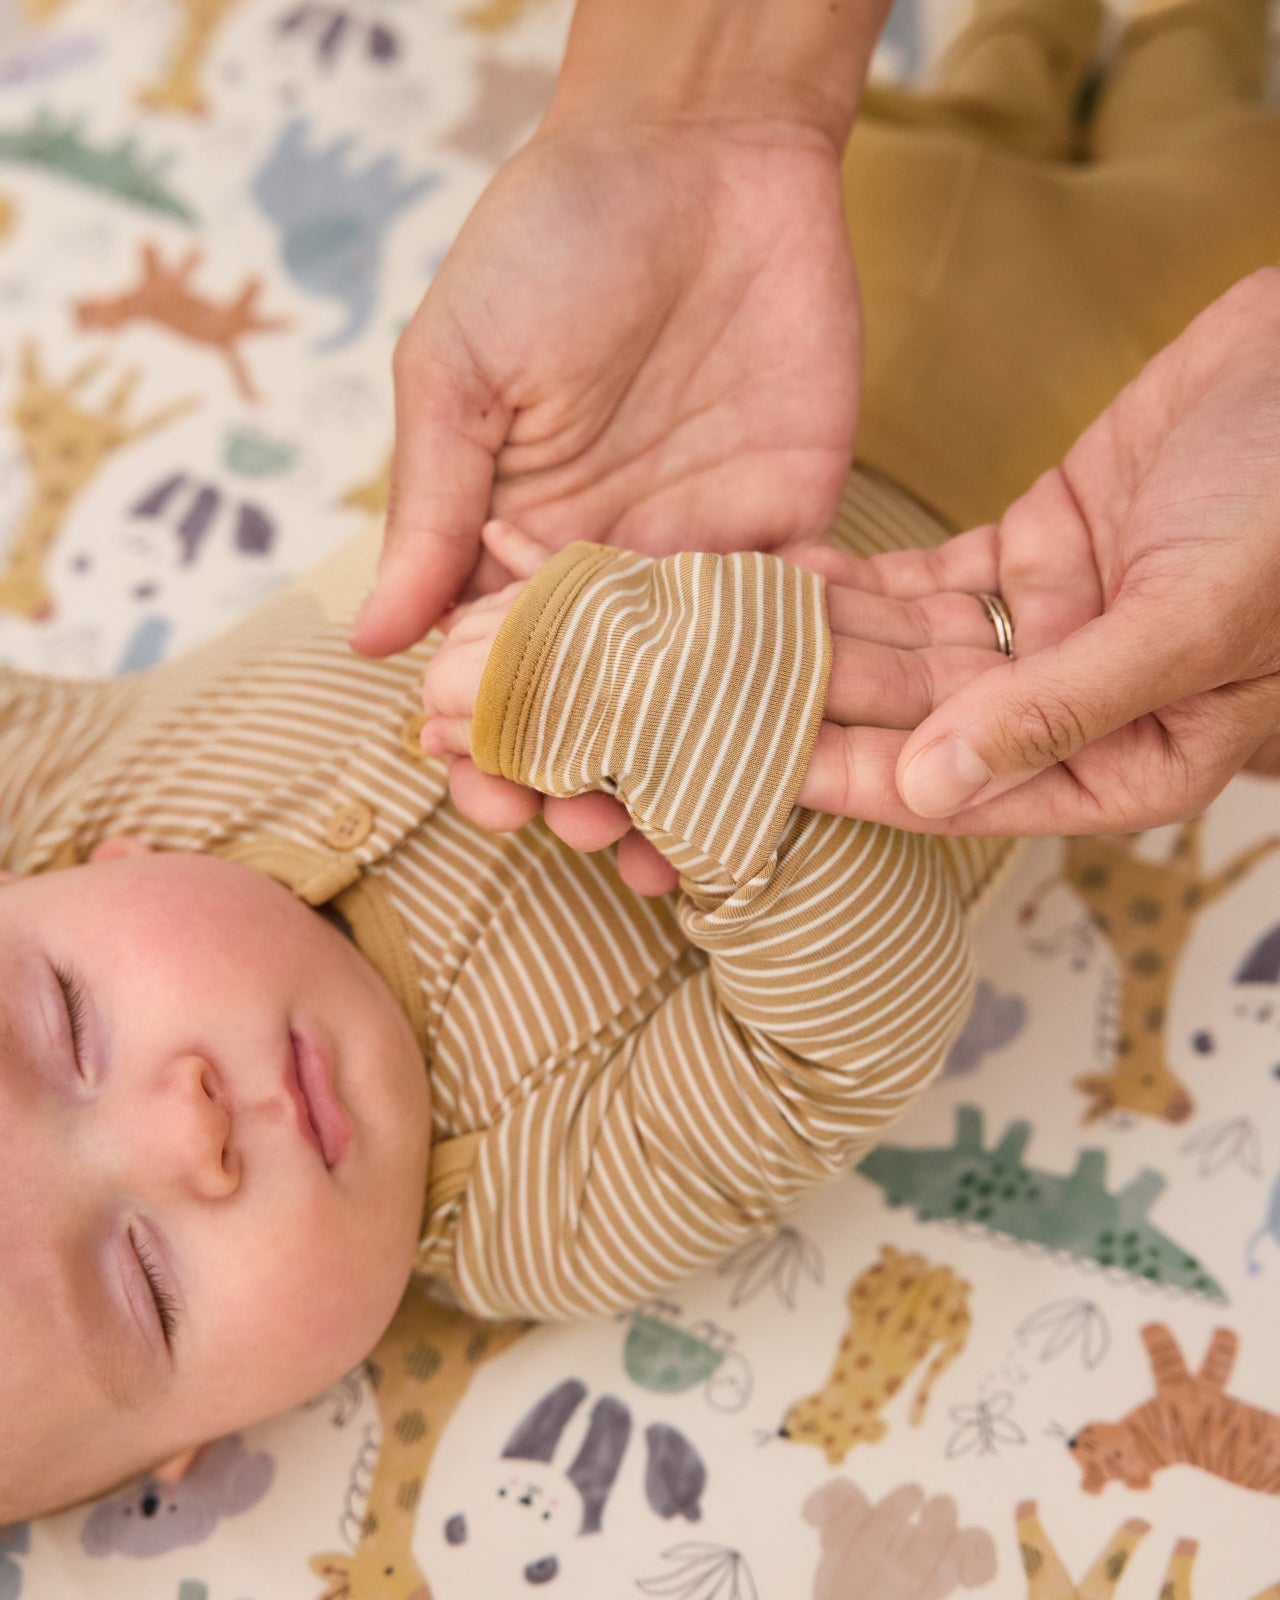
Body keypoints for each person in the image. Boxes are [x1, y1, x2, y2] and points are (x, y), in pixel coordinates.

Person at [2, 0, 1276, 1525]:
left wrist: (691, 116)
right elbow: (862, 1016)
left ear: (69, 880)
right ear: (192, 1448)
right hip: (1116, 453)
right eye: (144, 1284)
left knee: (989, 83)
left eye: (65, 1022)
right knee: (1216, 125)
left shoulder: (76, 795)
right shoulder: (545, 1205)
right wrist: (703, 746)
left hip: (770, 243)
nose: (186, 1126)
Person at [354, 0, 1280, 868]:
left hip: (844, 199)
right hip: (1118, 287)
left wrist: (688, 125)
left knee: (1054, 78)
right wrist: (691, 124)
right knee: (1177, 101)